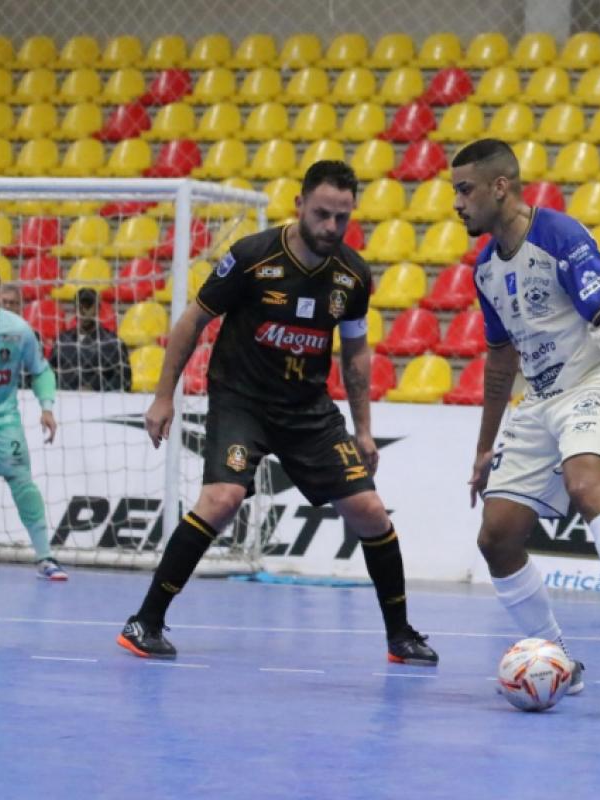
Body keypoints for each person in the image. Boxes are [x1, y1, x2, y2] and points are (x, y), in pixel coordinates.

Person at [118, 161, 437, 665]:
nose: (331, 226)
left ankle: (400, 636)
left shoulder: (352, 274)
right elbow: (192, 321)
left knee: (370, 511)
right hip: (242, 400)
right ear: (299, 205)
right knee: (222, 499)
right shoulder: (252, 257)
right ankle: (145, 621)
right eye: (322, 214)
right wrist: (163, 396)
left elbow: (355, 352)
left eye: (342, 217)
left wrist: (364, 430)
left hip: (307, 409)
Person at [452, 139, 600, 693]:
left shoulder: (560, 235)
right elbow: (500, 361)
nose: (456, 203)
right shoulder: (486, 269)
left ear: (500, 187)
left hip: (594, 382)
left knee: (586, 485)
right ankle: (560, 661)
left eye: (465, 190)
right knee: (496, 537)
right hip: (538, 399)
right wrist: (484, 447)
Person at [0, 264, 66, 580]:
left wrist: (47, 407)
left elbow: (40, 371)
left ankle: (45, 557)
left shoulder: (18, 330)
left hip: (2, 419)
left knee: (23, 483)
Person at [50, 287, 131, 391]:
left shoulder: (113, 343)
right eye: (80, 306)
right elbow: (50, 373)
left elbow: (124, 380)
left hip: (100, 399)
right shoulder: (62, 340)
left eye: (88, 306)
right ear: (75, 309)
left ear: (98, 308)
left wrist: (95, 391)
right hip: (65, 398)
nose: (84, 311)